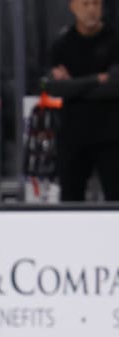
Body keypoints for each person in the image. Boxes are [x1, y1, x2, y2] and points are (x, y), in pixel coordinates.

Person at [46, 0, 119, 202]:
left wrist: (74, 86)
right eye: (85, 4)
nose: (91, 10)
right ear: (73, 7)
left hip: (111, 137)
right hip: (73, 136)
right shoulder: (62, 44)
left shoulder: (115, 41)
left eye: (96, 4)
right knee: (70, 199)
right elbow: (55, 88)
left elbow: (115, 86)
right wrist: (97, 79)